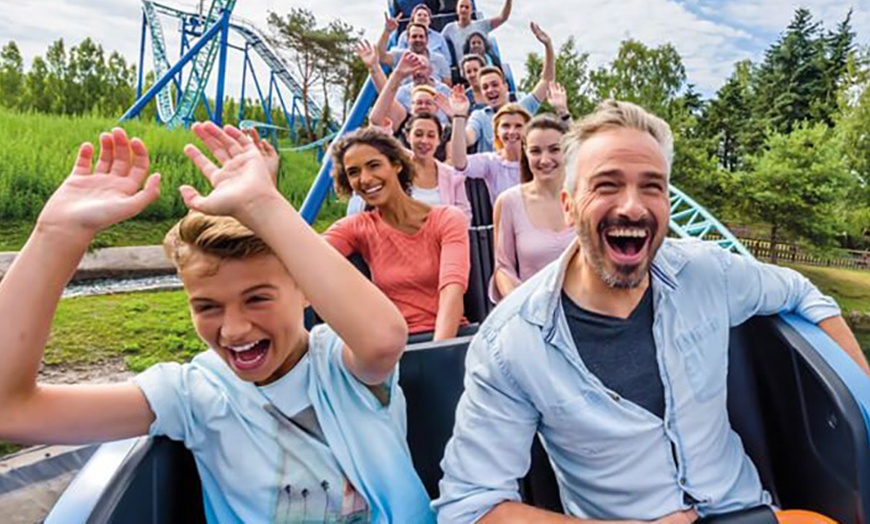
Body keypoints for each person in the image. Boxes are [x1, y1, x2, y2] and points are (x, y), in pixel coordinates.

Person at [434, 100, 870, 522]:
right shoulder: (510, 341)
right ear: (568, 205)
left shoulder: (706, 271)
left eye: (652, 186)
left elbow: (804, 294)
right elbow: (471, 507)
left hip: (749, 511)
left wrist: (864, 400)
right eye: (607, 185)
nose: (633, 206)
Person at [0, 124, 435, 522]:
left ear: (306, 291)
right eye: (207, 307)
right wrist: (55, 235)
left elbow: (383, 339)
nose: (234, 330)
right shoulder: (192, 394)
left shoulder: (338, 367)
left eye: (257, 299)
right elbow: (10, 411)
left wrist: (262, 203)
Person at [325, 128, 470, 340]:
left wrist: (438, 351)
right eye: (354, 172)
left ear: (396, 165)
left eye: (374, 165)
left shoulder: (447, 219)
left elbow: (452, 289)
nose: (365, 179)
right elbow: (305, 255)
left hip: (446, 336)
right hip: (393, 344)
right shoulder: (358, 227)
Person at [491, 110, 574, 303]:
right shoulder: (509, 202)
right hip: (534, 310)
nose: (545, 160)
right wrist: (520, 305)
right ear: (526, 153)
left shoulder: (585, 196)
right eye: (536, 151)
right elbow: (503, 268)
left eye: (554, 149)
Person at [464, 22, 554, 153]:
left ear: (505, 87)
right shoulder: (479, 116)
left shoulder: (522, 107)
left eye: (495, 85)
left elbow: (546, 81)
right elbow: (468, 139)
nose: (490, 90)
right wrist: (457, 117)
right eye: (485, 87)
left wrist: (548, 45)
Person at [450, 86, 531, 204]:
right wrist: (459, 116)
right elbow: (459, 163)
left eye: (518, 126)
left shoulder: (537, 160)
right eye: (506, 126)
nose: (512, 132)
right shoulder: (491, 161)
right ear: (497, 131)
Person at [405, 113, 472, 220]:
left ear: (438, 140)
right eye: (418, 134)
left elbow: (464, 215)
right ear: (408, 136)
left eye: (431, 136)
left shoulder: (452, 175)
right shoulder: (396, 170)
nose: (424, 141)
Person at [379, 21, 452, 86]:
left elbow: (447, 84)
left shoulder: (439, 59)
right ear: (408, 39)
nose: (418, 39)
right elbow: (381, 57)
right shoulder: (399, 55)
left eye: (421, 37)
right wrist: (387, 32)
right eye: (414, 36)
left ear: (427, 40)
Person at [441, 0, 512, 66]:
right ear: (457, 9)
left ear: (471, 10)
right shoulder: (449, 28)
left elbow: (502, 17)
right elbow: (438, 41)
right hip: (465, 68)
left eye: (467, 7)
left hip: (484, 65)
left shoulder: (482, 25)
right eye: (461, 7)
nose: (464, 9)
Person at [385, 6, 452, 67]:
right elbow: (399, 58)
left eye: (425, 15)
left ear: (429, 20)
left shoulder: (439, 37)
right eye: (419, 15)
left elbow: (448, 60)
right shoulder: (404, 36)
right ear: (413, 18)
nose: (422, 17)